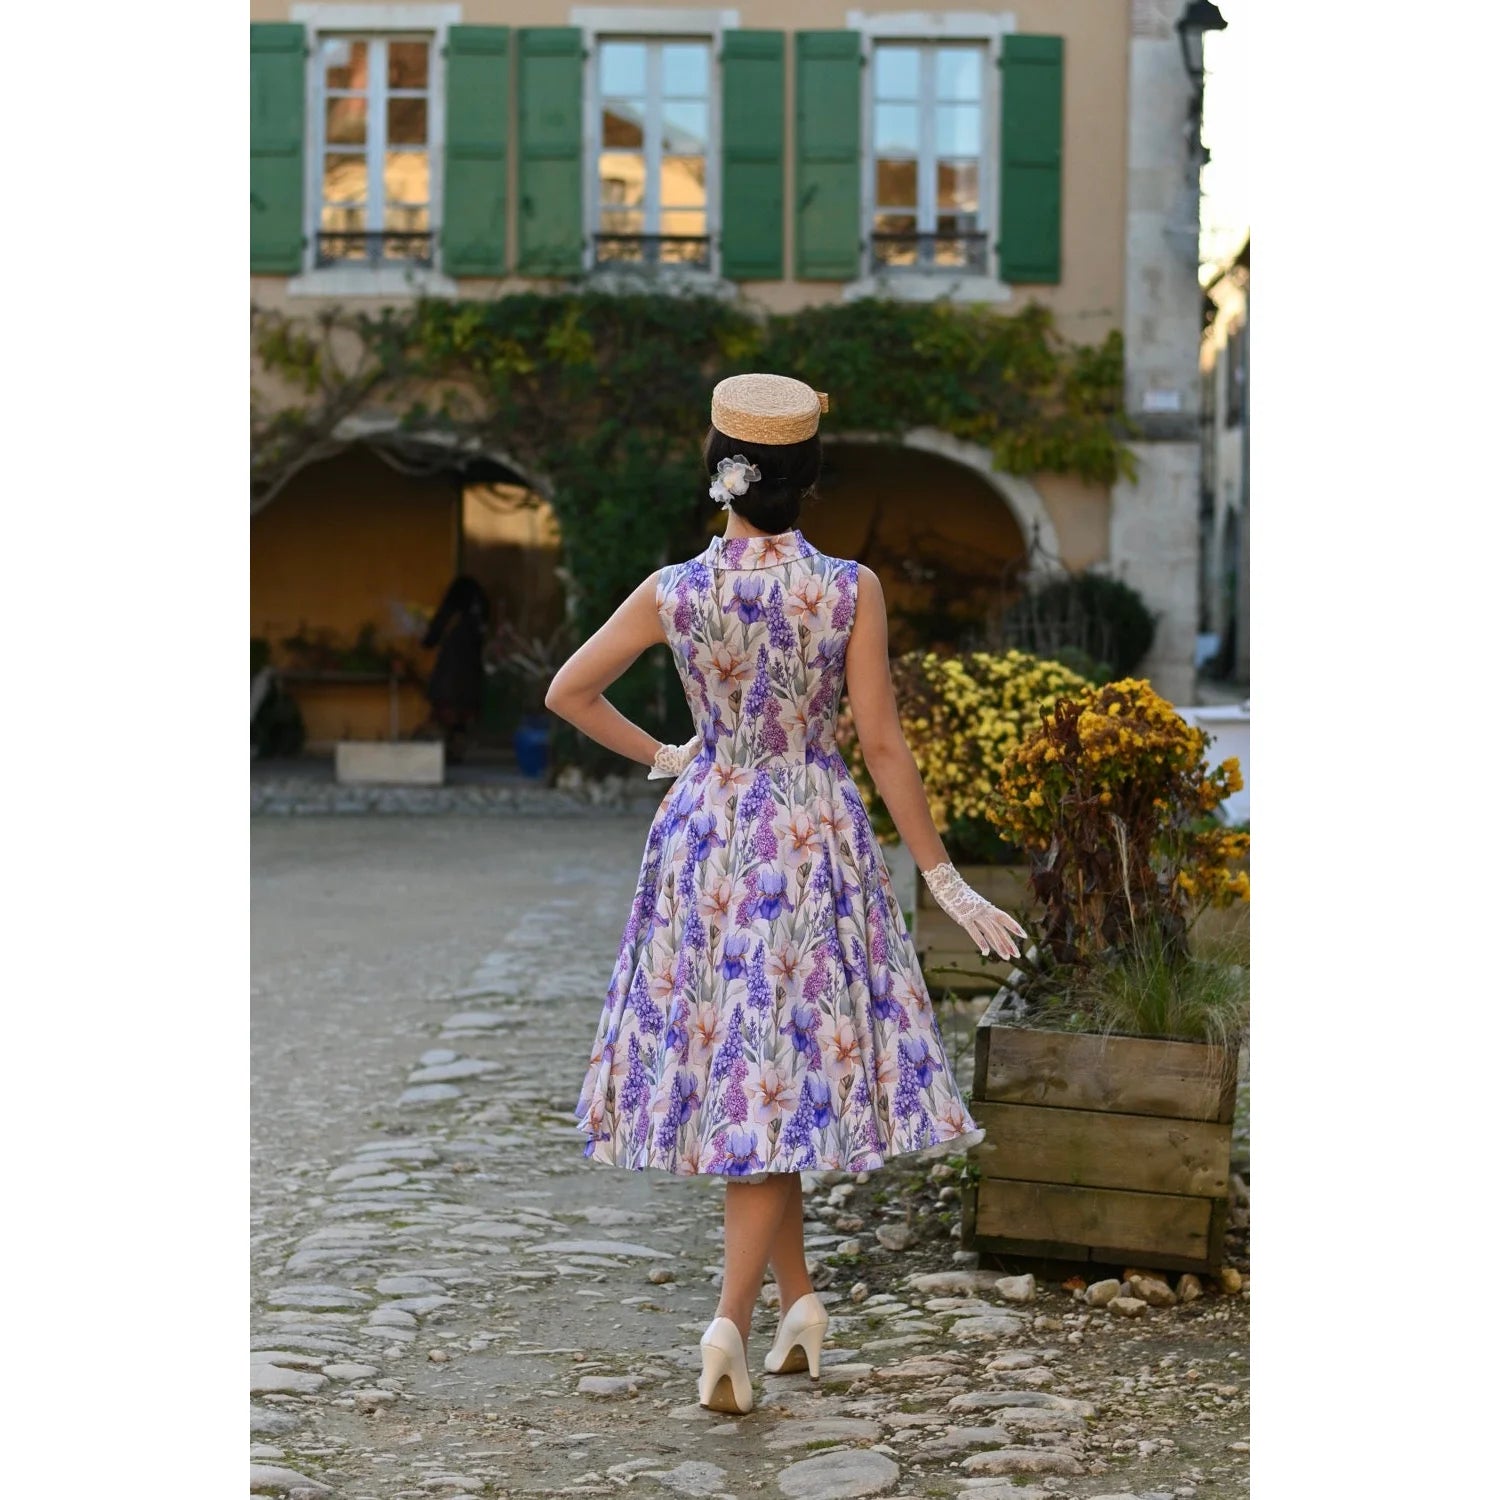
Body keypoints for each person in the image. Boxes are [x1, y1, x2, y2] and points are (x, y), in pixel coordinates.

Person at [544, 373, 1025, 1415]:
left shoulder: (675, 589)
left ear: (719, 473)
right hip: (812, 837)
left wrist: (670, 754)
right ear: (808, 481)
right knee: (776, 1073)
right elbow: (884, 745)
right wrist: (943, 878)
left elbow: (566, 692)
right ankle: (737, 1319)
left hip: (708, 836)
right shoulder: (849, 588)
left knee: (759, 1072)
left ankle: (788, 1307)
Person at [419, 575, 492, 761]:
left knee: (446, 714)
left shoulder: (453, 613)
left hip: (449, 676)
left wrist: (423, 636)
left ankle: (442, 753)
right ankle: (456, 751)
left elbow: (431, 637)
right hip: (469, 677)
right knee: (461, 717)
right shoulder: (479, 613)